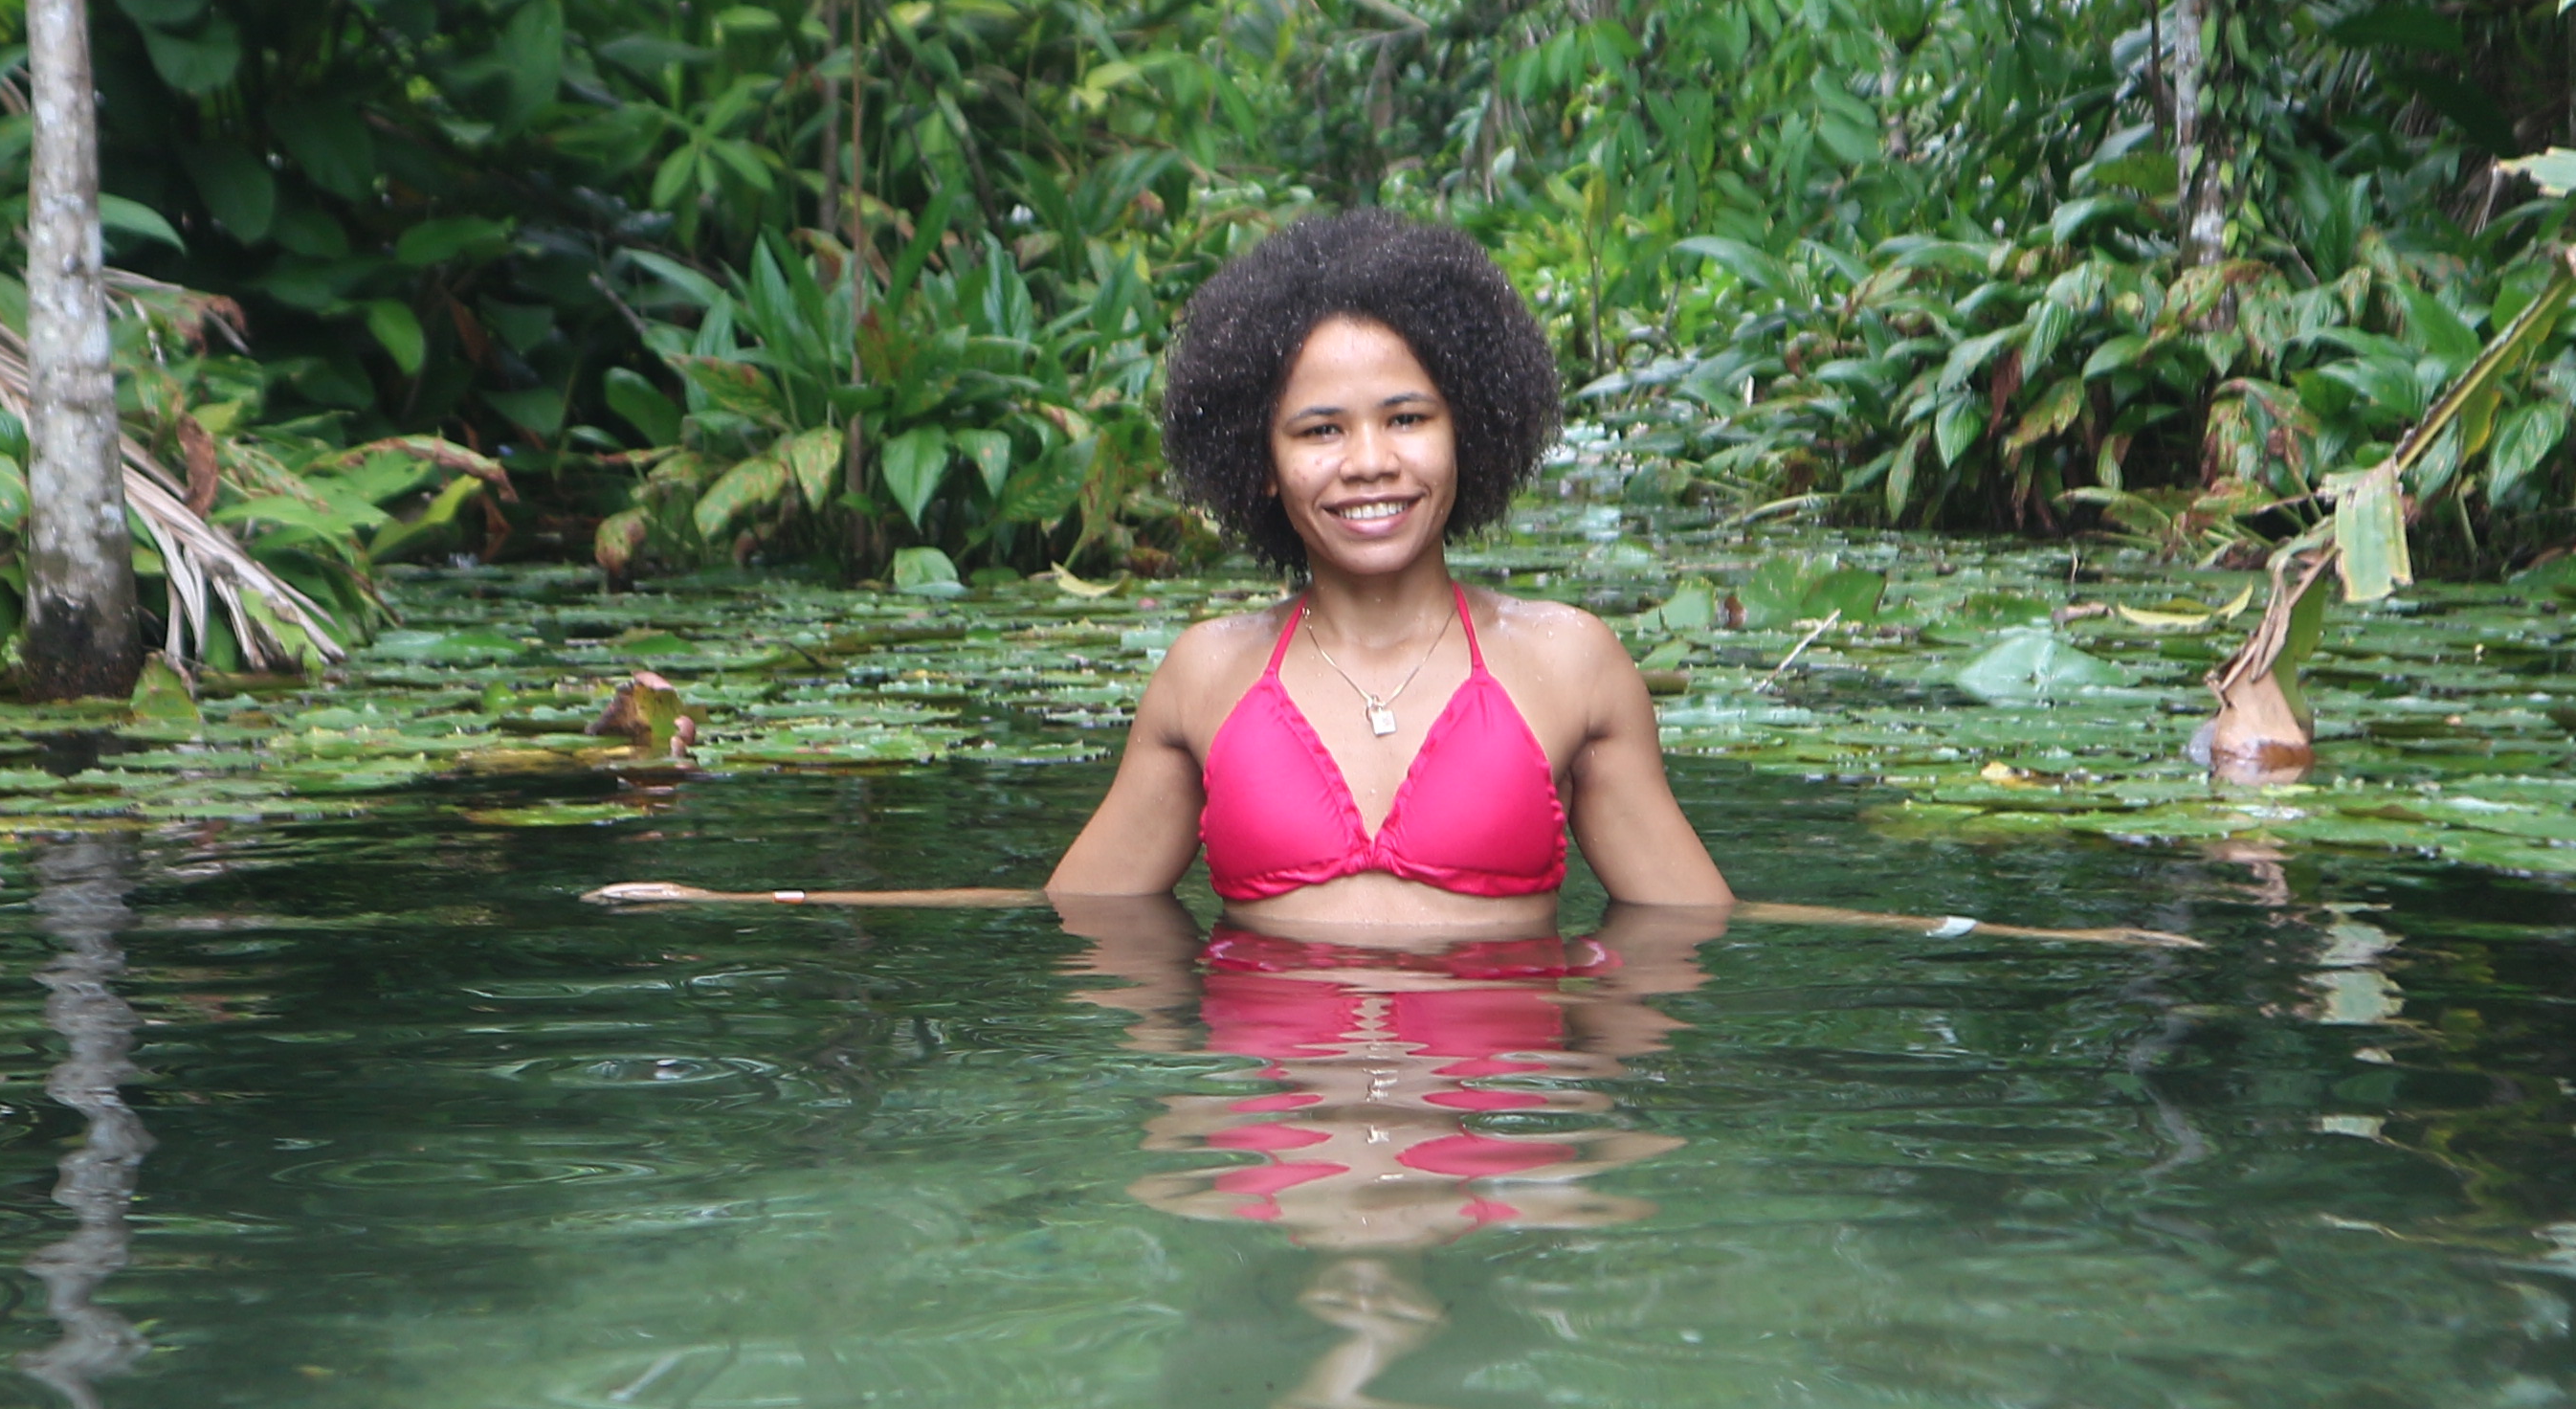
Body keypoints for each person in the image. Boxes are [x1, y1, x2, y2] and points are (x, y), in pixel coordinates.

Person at [591, 207, 2181, 951]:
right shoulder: (1208, 675)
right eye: (1322, 428)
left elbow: (1690, 927)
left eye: (1407, 418)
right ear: (1258, 459)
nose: (1369, 463)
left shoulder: (1569, 664)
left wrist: (2037, 937)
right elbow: (1081, 913)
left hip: (1515, 1113)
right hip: (1257, 1122)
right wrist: (774, 893)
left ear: (1469, 426)